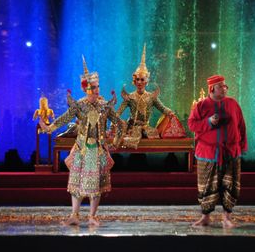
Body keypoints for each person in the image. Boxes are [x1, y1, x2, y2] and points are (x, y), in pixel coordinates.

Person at [40, 56, 124, 226]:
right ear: (86, 89)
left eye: (98, 86)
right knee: (76, 183)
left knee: (97, 184)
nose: (97, 90)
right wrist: (49, 128)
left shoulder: (104, 106)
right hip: (82, 148)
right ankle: (74, 215)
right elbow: (64, 119)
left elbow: (119, 123)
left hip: (98, 148)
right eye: (93, 87)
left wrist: (115, 140)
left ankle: (92, 216)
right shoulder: (79, 105)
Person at [188, 75, 247, 228]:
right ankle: (205, 217)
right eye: (221, 86)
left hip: (231, 152)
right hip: (208, 153)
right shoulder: (201, 106)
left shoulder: (233, 104)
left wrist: (242, 146)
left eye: (225, 86)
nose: (225, 88)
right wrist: (208, 122)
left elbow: (241, 126)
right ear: (212, 88)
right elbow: (192, 125)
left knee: (231, 185)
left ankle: (227, 218)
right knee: (206, 186)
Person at [116, 44, 177, 148]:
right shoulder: (130, 97)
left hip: (147, 128)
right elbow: (119, 112)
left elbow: (162, 108)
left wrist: (170, 112)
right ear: (134, 81)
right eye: (137, 80)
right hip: (132, 128)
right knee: (128, 144)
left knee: (154, 143)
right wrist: (115, 119)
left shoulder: (151, 97)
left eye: (142, 79)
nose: (139, 82)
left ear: (146, 81)